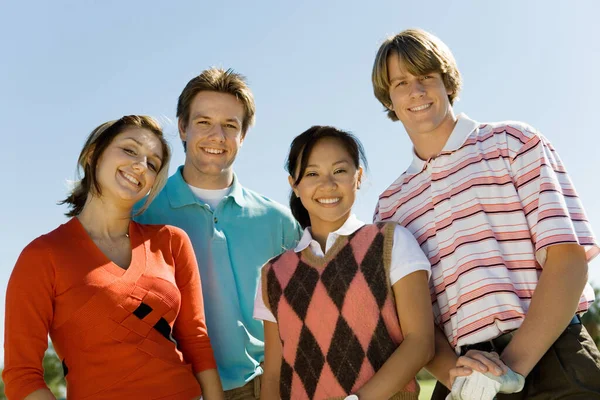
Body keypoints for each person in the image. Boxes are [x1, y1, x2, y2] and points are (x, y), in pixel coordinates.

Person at [371, 28, 600, 399]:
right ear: (389, 99)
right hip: (464, 378)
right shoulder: (389, 208)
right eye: (401, 83)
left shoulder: (514, 143)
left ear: (447, 82)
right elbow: (414, 321)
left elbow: (568, 261)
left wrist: (511, 368)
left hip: (554, 357)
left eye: (426, 77)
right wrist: (460, 380)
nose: (416, 91)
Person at [3, 116, 223, 400]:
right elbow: (21, 376)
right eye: (130, 150)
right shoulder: (42, 256)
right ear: (93, 153)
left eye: (152, 164)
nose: (140, 165)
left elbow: (196, 342)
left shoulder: (171, 242)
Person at [135, 68, 302, 399]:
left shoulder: (278, 221)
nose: (217, 136)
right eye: (203, 122)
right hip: (176, 389)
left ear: (243, 136)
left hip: (263, 388)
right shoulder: (142, 214)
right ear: (182, 127)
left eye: (230, 126)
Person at [254, 125, 435, 400]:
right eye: (312, 174)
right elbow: (274, 374)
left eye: (339, 171)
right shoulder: (273, 274)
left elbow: (420, 343)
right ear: (294, 184)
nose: (328, 184)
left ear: (358, 177)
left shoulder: (391, 241)